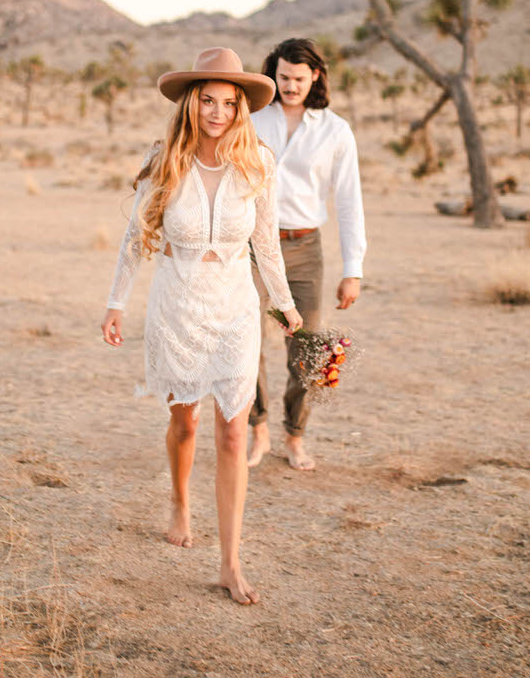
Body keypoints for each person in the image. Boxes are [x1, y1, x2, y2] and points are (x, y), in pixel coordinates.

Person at [102, 47, 302, 606]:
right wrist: (116, 302)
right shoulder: (164, 158)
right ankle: (180, 501)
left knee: (234, 431)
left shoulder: (258, 161)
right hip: (177, 301)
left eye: (228, 102)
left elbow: (266, 243)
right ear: (192, 103)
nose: (217, 111)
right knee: (186, 425)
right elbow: (133, 238)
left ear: (241, 107)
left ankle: (230, 562)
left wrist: (284, 306)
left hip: (235, 305)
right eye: (208, 100)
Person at [246, 37, 366, 472]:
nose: (290, 86)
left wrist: (353, 269)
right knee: (247, 344)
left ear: (315, 75)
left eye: (298, 78)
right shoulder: (254, 121)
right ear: (272, 75)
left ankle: (295, 435)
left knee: (309, 347)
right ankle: (257, 429)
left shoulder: (335, 130)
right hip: (254, 246)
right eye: (282, 77)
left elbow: (349, 201)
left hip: (305, 248)